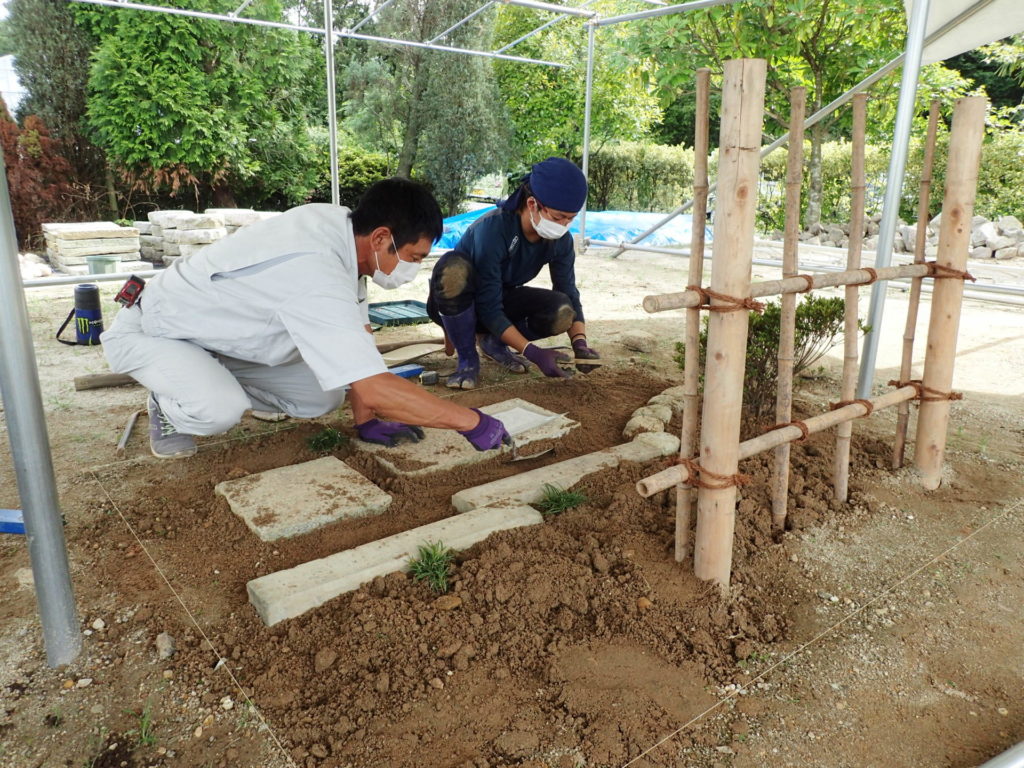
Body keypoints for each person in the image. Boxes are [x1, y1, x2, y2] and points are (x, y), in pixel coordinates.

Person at [101, 178, 511, 459]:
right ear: (383, 238)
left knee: (321, 396)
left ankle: (206, 378)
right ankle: (169, 402)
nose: (414, 268)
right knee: (217, 409)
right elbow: (374, 385)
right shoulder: (316, 268)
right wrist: (471, 422)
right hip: (157, 331)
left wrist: (366, 421)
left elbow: (361, 350)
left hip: (219, 339)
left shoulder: (346, 238)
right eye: (415, 257)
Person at [426, 156, 600, 390]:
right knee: (452, 268)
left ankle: (494, 342)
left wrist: (580, 343)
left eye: (570, 219)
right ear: (531, 204)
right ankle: (467, 359)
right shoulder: (494, 229)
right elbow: (488, 305)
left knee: (562, 310)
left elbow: (568, 290)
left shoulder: (561, 241)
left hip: (499, 298)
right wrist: (532, 352)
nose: (563, 225)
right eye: (558, 217)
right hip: (458, 304)